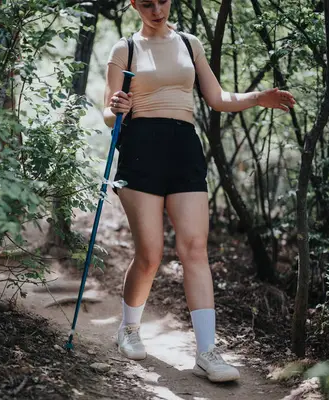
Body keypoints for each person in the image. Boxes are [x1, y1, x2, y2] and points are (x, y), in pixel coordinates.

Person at [103, 0, 296, 383]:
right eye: (146, 3)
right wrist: (115, 105)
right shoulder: (125, 47)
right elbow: (110, 113)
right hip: (141, 147)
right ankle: (128, 328)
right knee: (150, 254)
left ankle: (207, 352)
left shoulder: (189, 43)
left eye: (162, 0)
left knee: (194, 247)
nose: (156, 9)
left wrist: (258, 97)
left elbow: (218, 98)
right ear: (133, 4)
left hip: (185, 147)